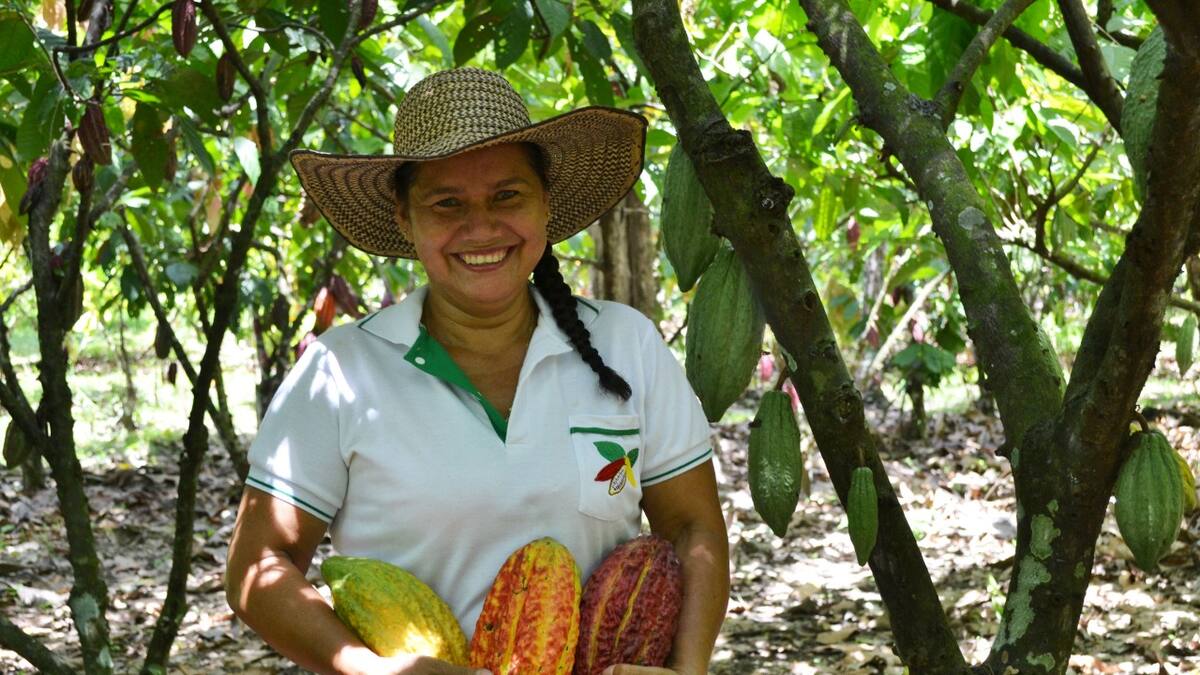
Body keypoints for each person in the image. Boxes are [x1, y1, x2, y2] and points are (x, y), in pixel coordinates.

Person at [224, 67, 729, 675]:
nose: (480, 228)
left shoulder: (627, 345)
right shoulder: (342, 372)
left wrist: (687, 670)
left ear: (547, 205)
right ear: (406, 221)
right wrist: (374, 670)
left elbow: (692, 524)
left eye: (507, 196)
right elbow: (260, 568)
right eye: (446, 204)